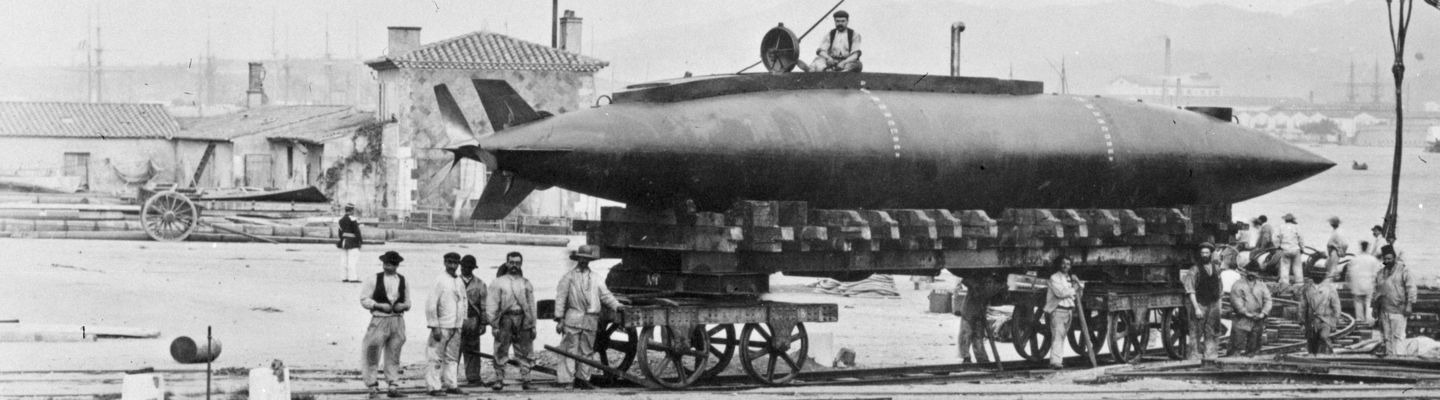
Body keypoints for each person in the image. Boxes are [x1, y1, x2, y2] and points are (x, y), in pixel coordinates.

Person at [554, 245, 625, 390]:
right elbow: (561, 298)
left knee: (587, 351)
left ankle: (583, 379)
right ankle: (567, 380)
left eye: (586, 259)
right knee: (570, 349)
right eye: (581, 258)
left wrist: (617, 306)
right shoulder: (568, 277)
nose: (584, 261)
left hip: (590, 319)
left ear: (589, 261)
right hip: (573, 318)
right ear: (577, 259)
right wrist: (559, 319)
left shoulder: (596, 278)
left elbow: (606, 296)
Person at [360, 251, 411, 399]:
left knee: (394, 353)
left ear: (396, 265)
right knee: (372, 351)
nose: (387, 267)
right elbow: (364, 299)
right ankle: (372, 386)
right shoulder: (374, 279)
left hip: (397, 320)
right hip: (379, 319)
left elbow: (408, 301)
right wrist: (378, 305)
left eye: (391, 264)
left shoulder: (403, 280)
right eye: (385, 264)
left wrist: (404, 306)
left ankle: (393, 385)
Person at [485, 251, 536, 391]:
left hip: (522, 318)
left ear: (521, 265)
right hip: (505, 319)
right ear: (507, 263)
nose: (514, 265)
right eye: (512, 262)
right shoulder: (498, 283)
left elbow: (531, 306)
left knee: (525, 349)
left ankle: (526, 379)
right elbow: (491, 305)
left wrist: (533, 325)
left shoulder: (526, 283)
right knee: (501, 348)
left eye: (517, 263)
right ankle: (499, 379)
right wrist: (493, 324)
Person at [423, 253, 467, 397]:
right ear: (444, 262)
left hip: (456, 326)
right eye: (449, 262)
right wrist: (434, 325)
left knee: (452, 358)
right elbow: (431, 304)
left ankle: (451, 384)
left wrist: (462, 322)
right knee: (435, 357)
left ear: (458, 264)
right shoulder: (439, 280)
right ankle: (433, 387)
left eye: (455, 263)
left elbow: (463, 302)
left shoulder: (459, 281)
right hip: (442, 325)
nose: (452, 266)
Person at [1372, 245, 1416, 358]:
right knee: (1387, 336)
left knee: (1398, 336)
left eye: (1389, 259)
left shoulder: (1403, 270)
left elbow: (1411, 288)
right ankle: (1389, 357)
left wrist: (1409, 305)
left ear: (1394, 258)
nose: (1387, 261)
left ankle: (1400, 358)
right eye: (1385, 259)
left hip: (1399, 309)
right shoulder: (1380, 273)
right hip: (1384, 310)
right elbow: (1376, 290)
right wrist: (1374, 307)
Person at [1183, 243, 1225, 361]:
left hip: (1214, 304)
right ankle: (1193, 357)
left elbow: (1220, 288)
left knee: (1212, 331)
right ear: (1199, 255)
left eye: (1207, 253)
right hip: (1200, 304)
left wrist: (1219, 306)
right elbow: (1190, 290)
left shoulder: (1216, 269)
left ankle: (1210, 356)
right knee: (1196, 331)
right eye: (1202, 253)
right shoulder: (1194, 270)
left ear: (1210, 254)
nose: (1204, 255)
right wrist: (1196, 308)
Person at [1043, 256, 1080, 370]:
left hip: (1068, 310)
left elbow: (1078, 291)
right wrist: (1074, 289)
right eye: (1063, 263)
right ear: (1059, 265)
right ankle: (1055, 362)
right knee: (1057, 336)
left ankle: (1058, 360)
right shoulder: (1054, 277)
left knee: (1062, 336)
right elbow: (1060, 293)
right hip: (1058, 310)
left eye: (1068, 264)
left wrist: (1077, 283)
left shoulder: (1069, 278)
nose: (1066, 266)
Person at [458, 255, 489, 386]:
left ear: (473, 268)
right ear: (461, 266)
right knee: (453, 350)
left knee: (473, 349)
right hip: (456, 320)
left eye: (469, 267)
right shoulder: (454, 281)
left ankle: (473, 377)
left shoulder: (480, 284)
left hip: (472, 320)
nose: (466, 269)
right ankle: (449, 378)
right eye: (464, 266)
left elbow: (484, 305)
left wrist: (483, 323)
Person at [956, 272, 999, 364]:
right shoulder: (977, 278)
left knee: (978, 336)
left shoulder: (992, 284)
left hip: (980, 311)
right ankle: (966, 357)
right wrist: (976, 286)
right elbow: (965, 280)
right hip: (969, 310)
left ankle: (981, 358)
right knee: (966, 334)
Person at [1298, 269, 1341, 355]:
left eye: (1320, 275)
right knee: (1312, 343)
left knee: (1323, 337)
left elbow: (1336, 306)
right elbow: (1302, 306)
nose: (1318, 277)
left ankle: (1328, 355)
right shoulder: (1307, 289)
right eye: (1316, 275)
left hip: (1325, 319)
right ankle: (1313, 361)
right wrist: (1302, 322)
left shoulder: (1330, 289)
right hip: (1311, 321)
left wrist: (1334, 321)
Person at [1347, 241, 1381, 325]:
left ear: (1361, 247)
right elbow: (1378, 272)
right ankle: (1369, 322)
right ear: (1368, 247)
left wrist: (1350, 284)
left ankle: (1359, 320)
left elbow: (1349, 272)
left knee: (1358, 302)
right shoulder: (1373, 259)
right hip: (1369, 284)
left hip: (1357, 284)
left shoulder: (1354, 259)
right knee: (1369, 302)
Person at [1275, 213, 1305, 285]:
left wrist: (1278, 246)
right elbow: (1301, 238)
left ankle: (1284, 282)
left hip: (1285, 249)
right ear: (1292, 220)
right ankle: (1299, 282)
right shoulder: (1296, 227)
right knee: (1297, 266)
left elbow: (1275, 237)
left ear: (1285, 220)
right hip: (1295, 249)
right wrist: (1302, 248)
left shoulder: (1281, 227)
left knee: (1285, 266)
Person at [337, 204, 364, 283]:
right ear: (352, 210)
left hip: (343, 241)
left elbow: (340, 233)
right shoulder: (353, 219)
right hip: (353, 241)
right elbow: (357, 232)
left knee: (344, 261)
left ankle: (344, 277)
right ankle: (353, 278)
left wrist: (342, 240)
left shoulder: (341, 220)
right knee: (352, 261)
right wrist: (360, 242)